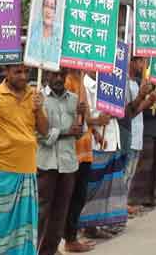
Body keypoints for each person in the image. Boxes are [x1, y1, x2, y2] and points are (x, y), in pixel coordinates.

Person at [0, 64, 48, 255]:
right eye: (18, 72)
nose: (23, 76)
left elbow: (44, 130)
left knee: (23, 231)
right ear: (6, 72)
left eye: (26, 72)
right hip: (2, 173)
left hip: (27, 172)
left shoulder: (34, 95)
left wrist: (39, 109)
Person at [37, 68, 87, 255]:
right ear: (47, 75)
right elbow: (38, 134)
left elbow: (81, 132)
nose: (58, 79)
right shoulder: (38, 99)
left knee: (60, 212)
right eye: (54, 75)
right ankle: (36, 250)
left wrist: (82, 116)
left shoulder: (74, 99)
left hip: (68, 164)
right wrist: (66, 132)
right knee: (42, 212)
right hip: (45, 164)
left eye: (62, 75)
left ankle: (51, 250)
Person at [79, 71, 128, 240]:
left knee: (108, 187)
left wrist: (114, 112)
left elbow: (120, 111)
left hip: (112, 140)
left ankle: (101, 222)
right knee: (92, 187)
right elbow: (82, 118)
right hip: (96, 143)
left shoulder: (110, 83)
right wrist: (97, 122)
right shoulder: (84, 85)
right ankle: (86, 225)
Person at [63, 72, 97, 253]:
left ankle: (71, 237)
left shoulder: (81, 81)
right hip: (71, 151)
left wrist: (96, 130)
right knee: (69, 198)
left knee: (79, 196)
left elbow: (87, 116)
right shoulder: (67, 81)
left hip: (85, 149)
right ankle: (69, 239)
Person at [128, 81, 156, 208]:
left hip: (155, 125)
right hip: (144, 127)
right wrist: (153, 98)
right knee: (143, 167)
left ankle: (153, 196)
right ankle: (137, 198)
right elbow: (135, 109)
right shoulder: (140, 81)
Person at [123, 57, 155, 212]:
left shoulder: (135, 82)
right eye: (141, 62)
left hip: (137, 133)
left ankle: (124, 203)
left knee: (131, 172)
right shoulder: (125, 83)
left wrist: (148, 99)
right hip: (129, 133)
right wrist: (144, 99)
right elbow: (130, 112)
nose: (143, 66)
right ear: (132, 62)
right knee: (126, 172)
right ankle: (121, 205)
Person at [27, 0, 62, 65]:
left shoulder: (59, 34)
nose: (48, 11)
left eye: (52, 7)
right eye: (46, 5)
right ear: (42, 7)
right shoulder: (34, 30)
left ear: (55, 11)